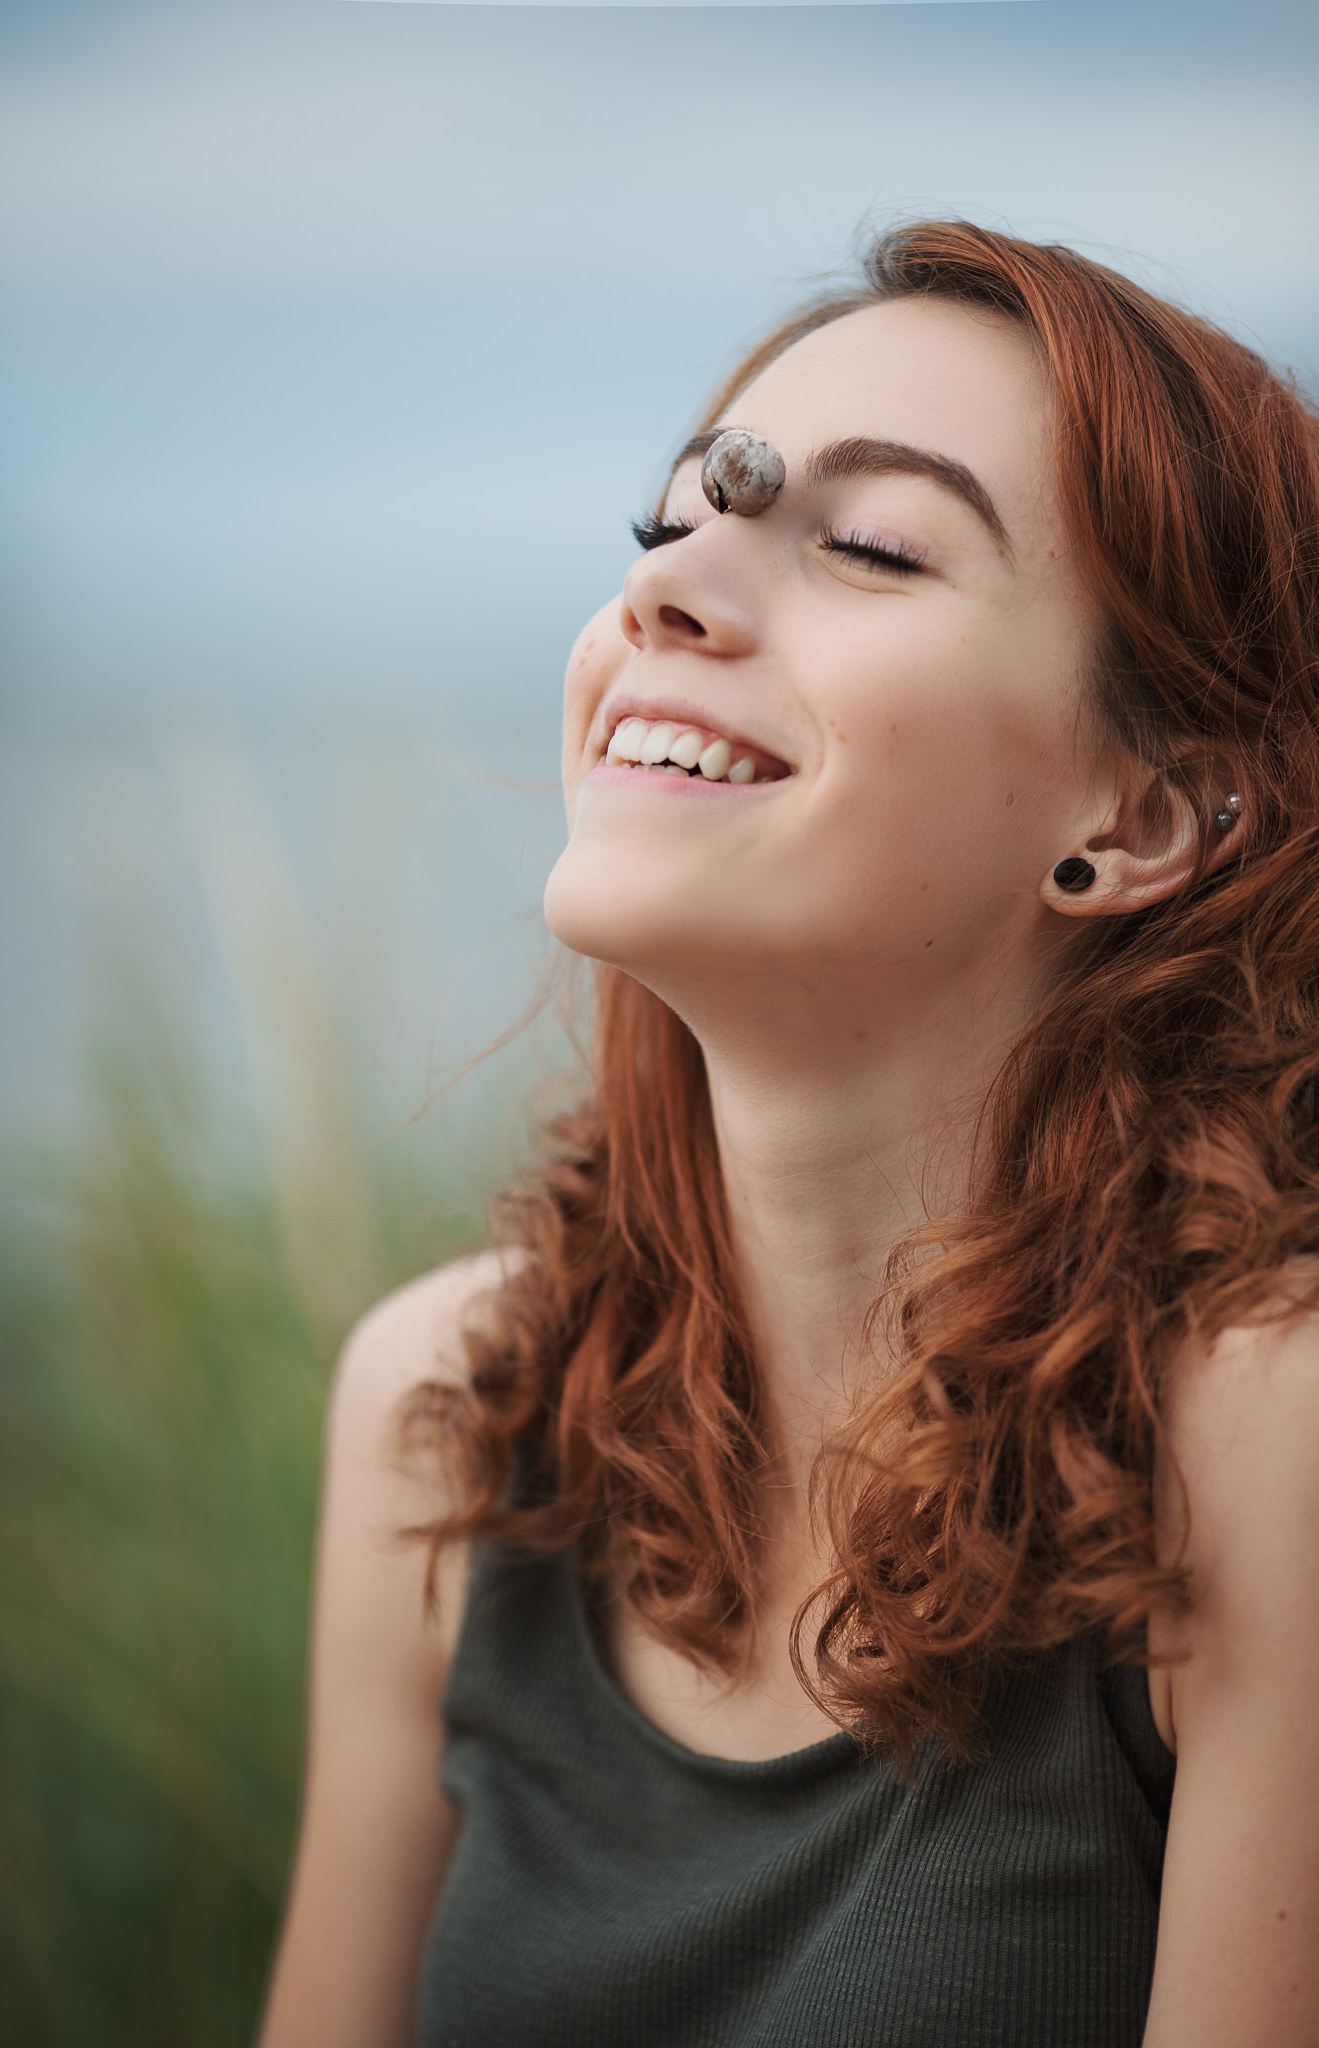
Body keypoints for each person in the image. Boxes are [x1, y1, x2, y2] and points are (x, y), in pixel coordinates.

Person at [258, 222, 1319, 2048]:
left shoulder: (1267, 1429)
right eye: (674, 521)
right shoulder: (451, 1403)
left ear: (1143, 819)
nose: (669, 593)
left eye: (873, 545)